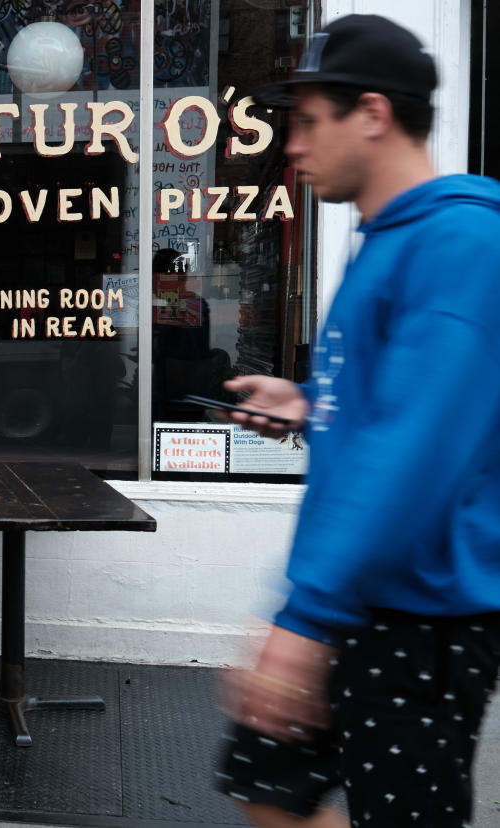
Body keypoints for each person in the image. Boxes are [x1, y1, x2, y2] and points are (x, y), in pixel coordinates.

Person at [213, 15, 500, 828]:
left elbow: (417, 455)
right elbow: (399, 404)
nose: (292, 146)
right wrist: (309, 404)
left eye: (307, 121)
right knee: (263, 788)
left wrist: (305, 623)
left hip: (424, 617)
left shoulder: (464, 244)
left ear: (372, 114)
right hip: (353, 594)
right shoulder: (385, 240)